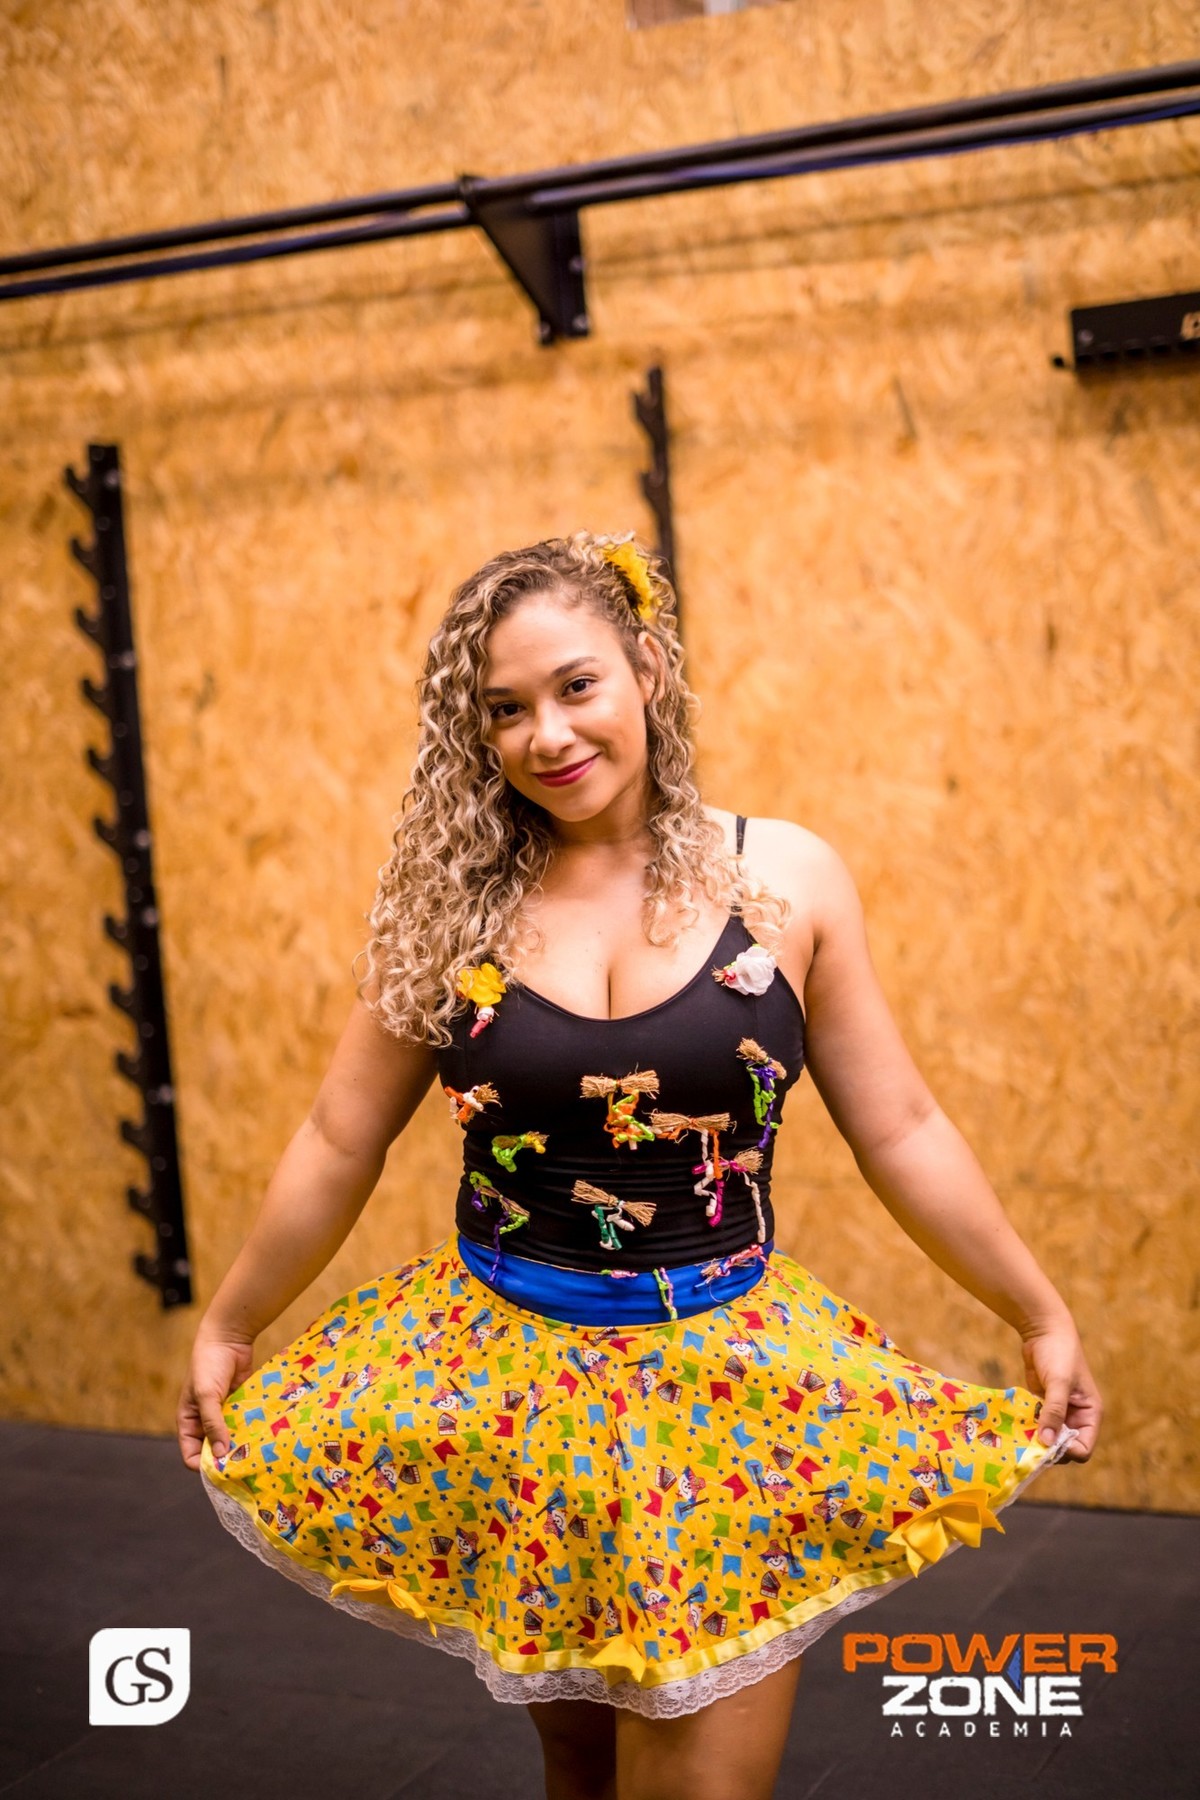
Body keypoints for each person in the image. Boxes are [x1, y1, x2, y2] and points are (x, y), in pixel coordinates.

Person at [178, 530, 1101, 1800]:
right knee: (583, 1766)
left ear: (647, 671)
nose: (547, 736)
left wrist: (1037, 1312)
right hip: (516, 1390)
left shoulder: (786, 878)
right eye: (505, 709)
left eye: (577, 686)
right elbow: (342, 1137)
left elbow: (901, 1126)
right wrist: (232, 1323)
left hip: (727, 1387)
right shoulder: (449, 909)